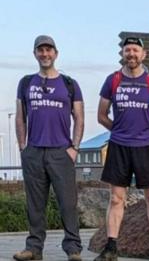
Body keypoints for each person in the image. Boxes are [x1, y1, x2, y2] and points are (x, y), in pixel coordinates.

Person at [95, 37, 149, 261]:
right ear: (123, 54)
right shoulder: (113, 80)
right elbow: (101, 115)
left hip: (146, 147)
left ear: (143, 54)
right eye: (127, 50)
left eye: (135, 50)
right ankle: (111, 247)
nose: (131, 54)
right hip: (119, 146)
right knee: (116, 198)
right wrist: (118, 130)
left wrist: (145, 133)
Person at [14, 35, 85, 261]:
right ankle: (34, 249)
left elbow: (79, 117)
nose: (45, 54)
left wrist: (74, 147)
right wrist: (23, 147)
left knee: (68, 204)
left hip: (61, 152)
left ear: (56, 53)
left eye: (49, 50)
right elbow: (20, 117)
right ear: (35, 53)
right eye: (40, 50)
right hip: (34, 151)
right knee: (35, 204)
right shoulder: (26, 83)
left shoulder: (69, 84)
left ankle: (73, 249)